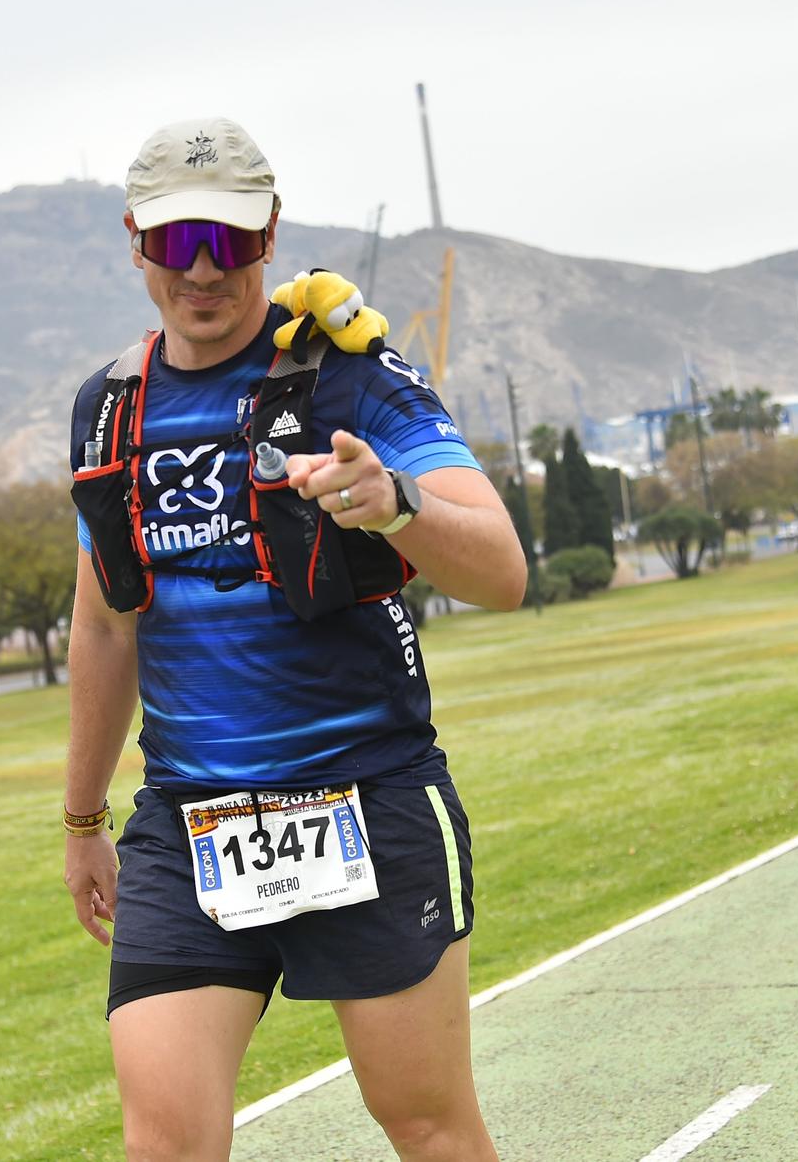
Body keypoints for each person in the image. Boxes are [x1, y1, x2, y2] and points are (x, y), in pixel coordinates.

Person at [62, 117, 526, 1161]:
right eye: (174, 242)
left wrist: (395, 501)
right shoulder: (110, 408)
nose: (201, 269)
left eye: (225, 239)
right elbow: (102, 620)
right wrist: (81, 814)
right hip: (189, 825)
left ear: (268, 231)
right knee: (164, 1143)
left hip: (364, 799)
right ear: (134, 240)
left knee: (424, 1121)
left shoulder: (348, 376)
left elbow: (500, 569)